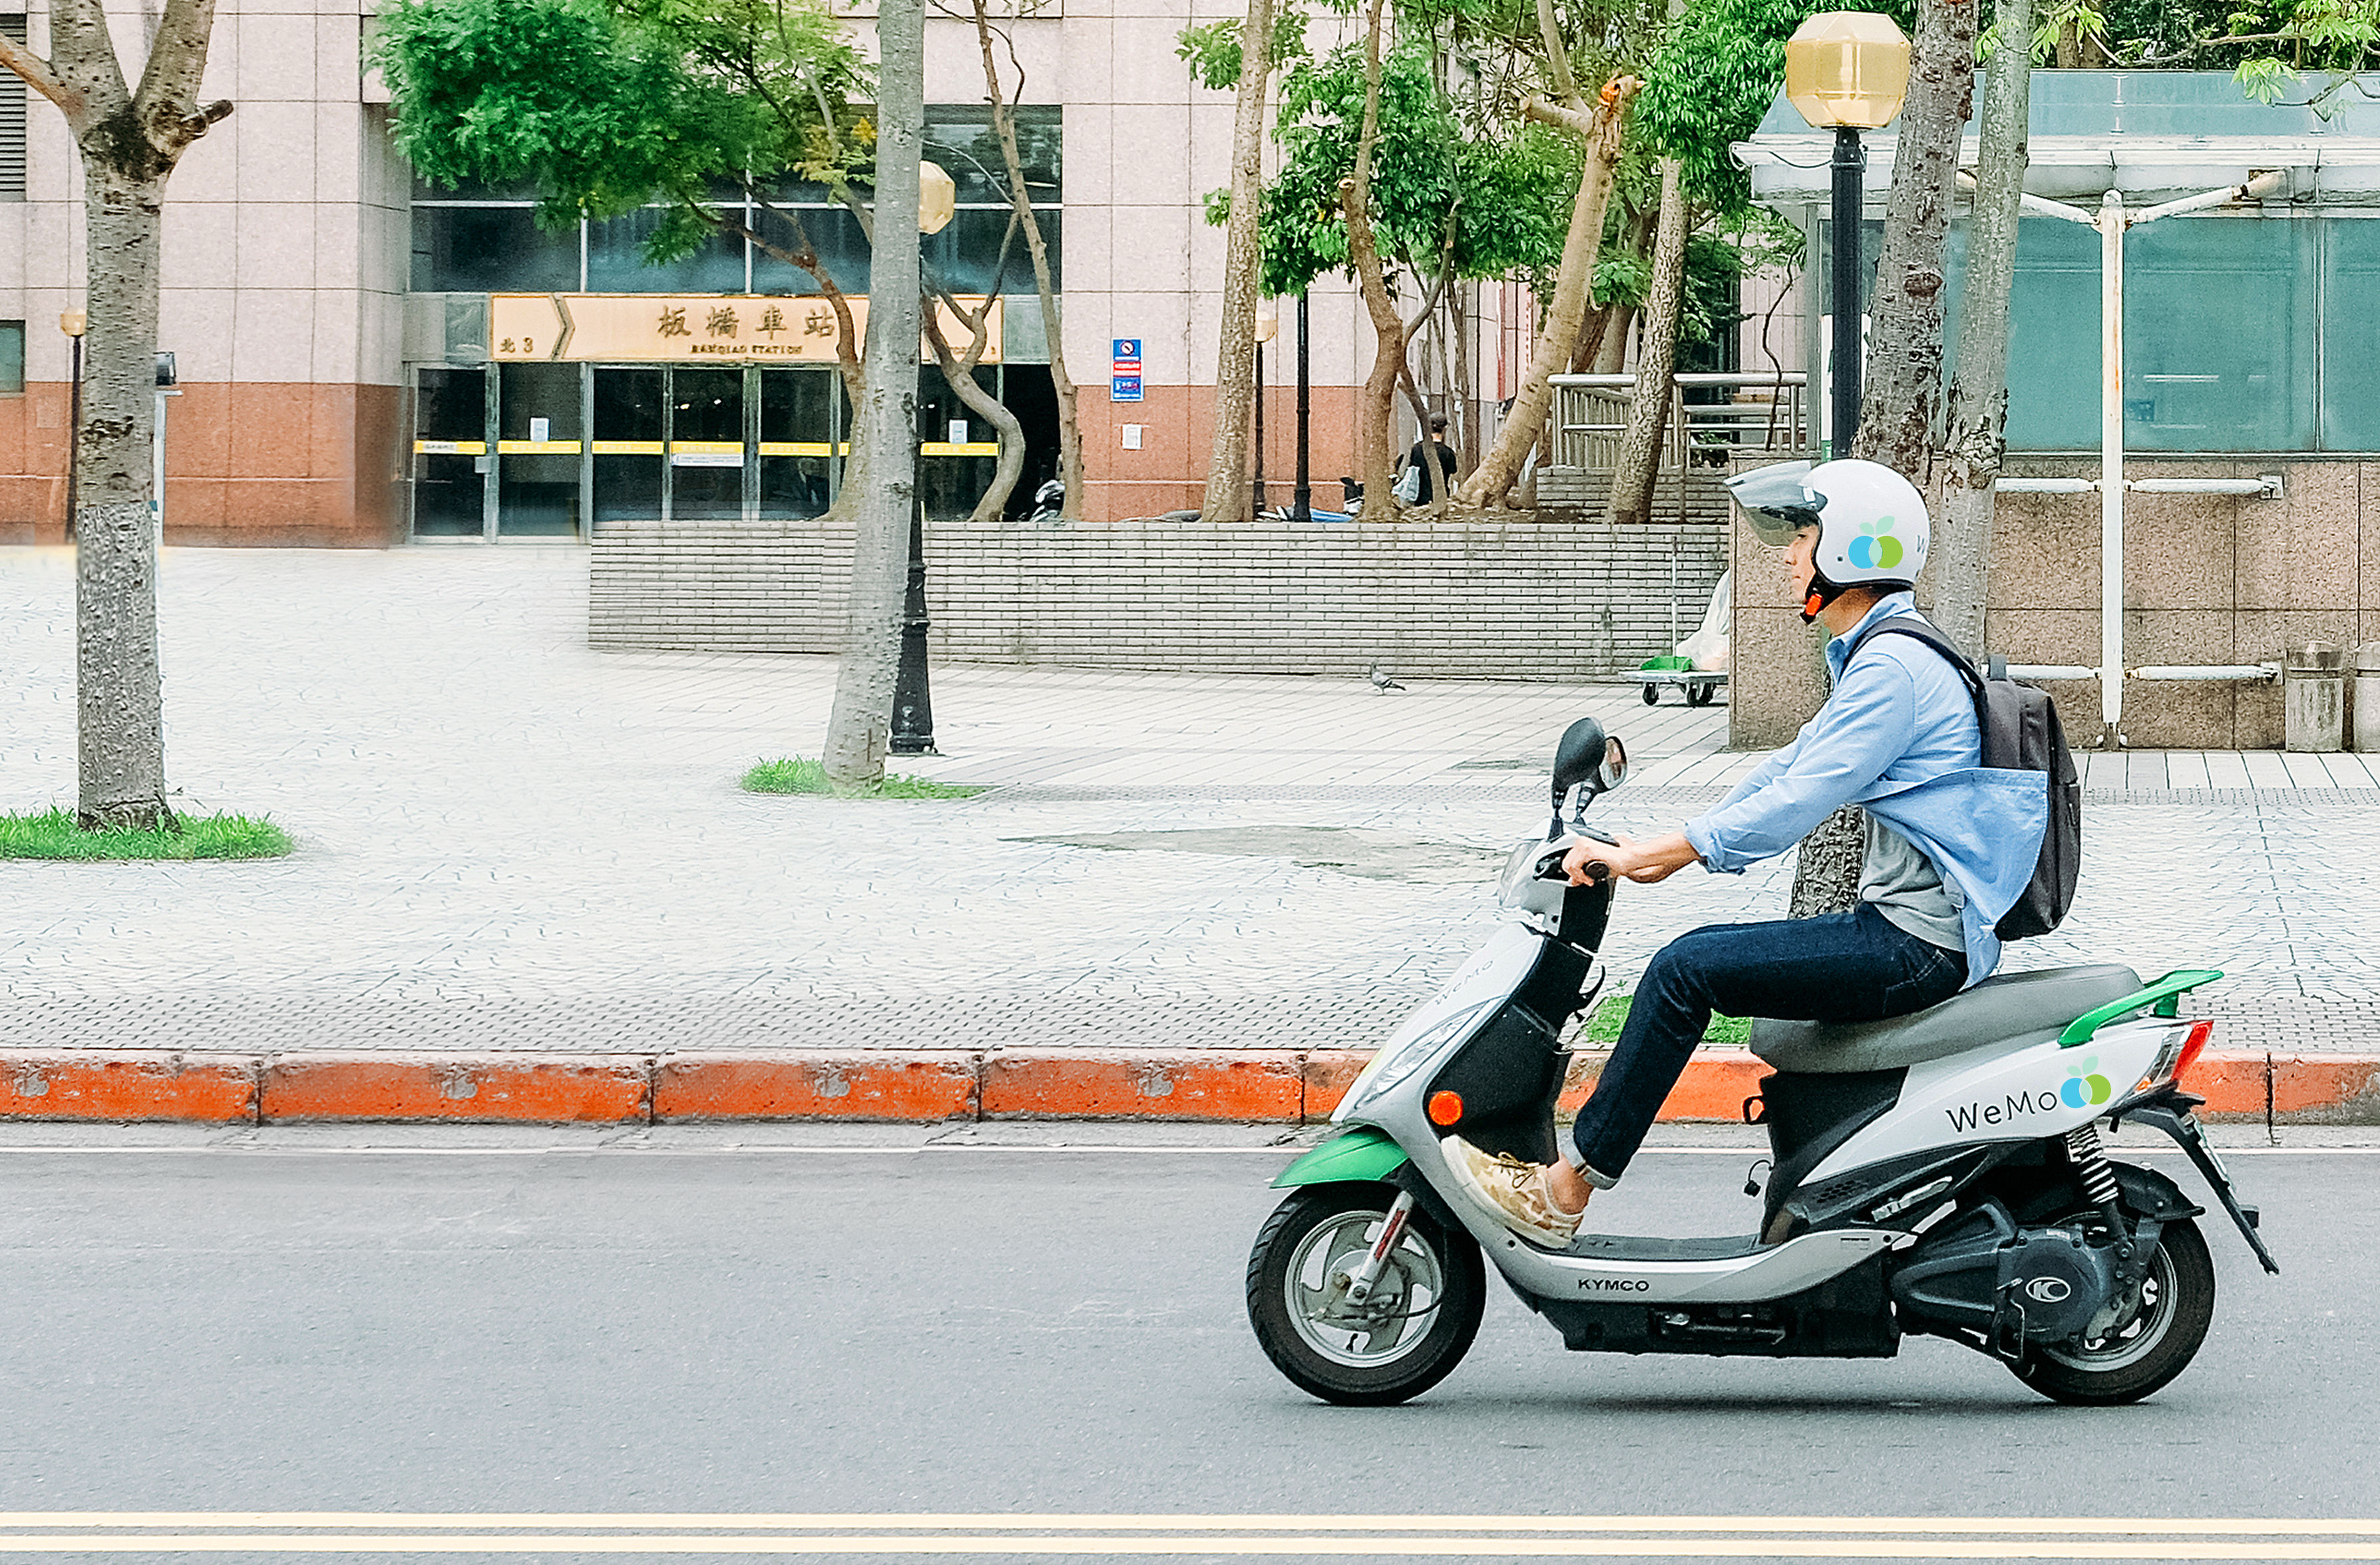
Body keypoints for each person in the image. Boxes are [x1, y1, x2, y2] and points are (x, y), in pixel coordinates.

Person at [1443, 458, 2051, 1246]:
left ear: (1854, 552)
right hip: (1912, 930)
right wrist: (1664, 846)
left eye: (1804, 536)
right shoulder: (1886, 653)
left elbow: (1800, 801)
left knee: (1682, 969)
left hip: (1917, 943)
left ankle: (1564, 1192)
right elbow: (1789, 767)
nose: (1788, 553)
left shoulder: (1894, 669)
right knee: (1697, 966)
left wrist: (1681, 850)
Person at [1400, 414, 1459, 506]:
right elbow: (1453, 471)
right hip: (1441, 497)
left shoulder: (1417, 449)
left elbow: (1412, 469)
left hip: (1420, 497)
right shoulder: (1449, 453)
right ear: (1444, 429)